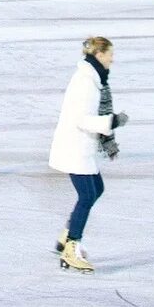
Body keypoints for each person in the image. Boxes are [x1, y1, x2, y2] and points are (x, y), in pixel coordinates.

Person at [48, 36, 126, 274]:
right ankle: (71, 248)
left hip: (82, 147)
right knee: (87, 194)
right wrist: (112, 121)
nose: (112, 60)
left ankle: (66, 236)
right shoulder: (86, 81)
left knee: (96, 189)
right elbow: (82, 120)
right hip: (75, 146)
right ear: (100, 55)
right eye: (110, 55)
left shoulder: (92, 77)